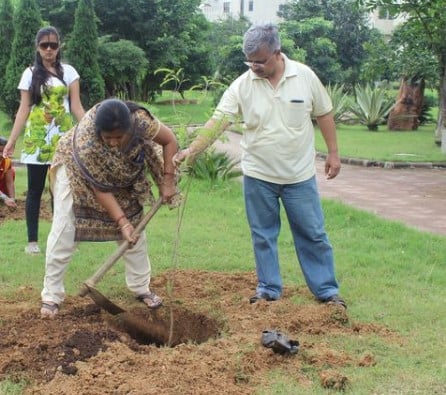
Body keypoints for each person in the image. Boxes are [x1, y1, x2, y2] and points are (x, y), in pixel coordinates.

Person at [174, 23, 346, 308]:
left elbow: (324, 113)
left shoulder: (304, 76)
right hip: (258, 175)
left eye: (260, 61)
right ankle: (268, 289)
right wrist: (192, 150)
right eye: (250, 61)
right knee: (263, 235)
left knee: (313, 234)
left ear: (277, 53)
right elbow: (219, 120)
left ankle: (327, 292)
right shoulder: (242, 85)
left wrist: (334, 153)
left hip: (298, 175)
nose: (254, 66)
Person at [40, 98, 178, 319]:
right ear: (98, 133)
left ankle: (141, 287)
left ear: (129, 129)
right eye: (108, 138)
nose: (113, 142)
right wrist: (121, 222)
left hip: (125, 167)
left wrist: (167, 180)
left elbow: (169, 140)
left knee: (135, 231)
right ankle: (51, 295)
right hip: (74, 167)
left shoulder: (141, 122)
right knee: (65, 228)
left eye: (119, 137)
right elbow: (100, 188)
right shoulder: (87, 142)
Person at [3, 26, 85, 255]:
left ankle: (61, 239)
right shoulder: (30, 73)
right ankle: (32, 241)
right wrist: (11, 141)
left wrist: (91, 128)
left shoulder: (69, 72)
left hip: (63, 139)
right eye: (44, 45)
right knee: (35, 190)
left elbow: (76, 106)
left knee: (62, 190)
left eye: (53, 45)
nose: (49, 50)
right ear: (37, 48)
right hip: (36, 140)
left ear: (60, 47)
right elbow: (23, 109)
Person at [0, 136, 17, 208]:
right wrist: (5, 198)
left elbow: (9, 182)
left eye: (3, 151)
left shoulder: (6, 161)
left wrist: (12, 199)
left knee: (12, 172)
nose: (1, 154)